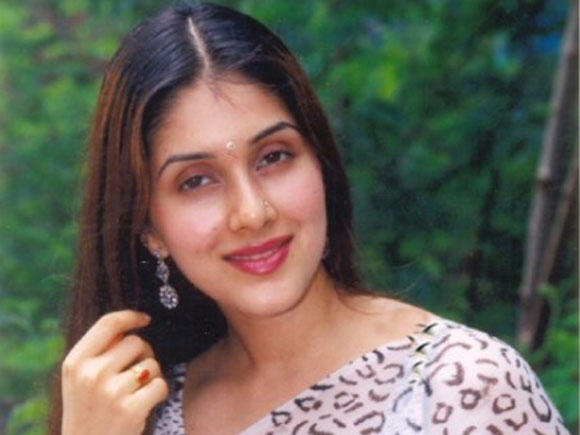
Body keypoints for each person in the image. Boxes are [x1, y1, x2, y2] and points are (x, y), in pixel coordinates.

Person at [50, 2, 569, 434]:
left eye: (273, 157)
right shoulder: (143, 411)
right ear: (149, 227)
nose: (252, 212)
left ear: (320, 162)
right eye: (196, 181)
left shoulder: (457, 386)